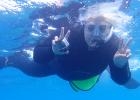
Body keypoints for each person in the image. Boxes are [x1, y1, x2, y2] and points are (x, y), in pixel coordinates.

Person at [0, 2, 139, 91]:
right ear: (84, 27)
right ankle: (10, 60)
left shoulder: (115, 45)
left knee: (114, 67)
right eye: (90, 28)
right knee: (32, 71)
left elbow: (121, 80)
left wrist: (120, 65)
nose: (96, 34)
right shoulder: (68, 33)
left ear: (111, 29)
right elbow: (38, 58)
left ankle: (110, 67)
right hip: (56, 68)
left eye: (102, 29)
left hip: (89, 75)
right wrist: (52, 50)